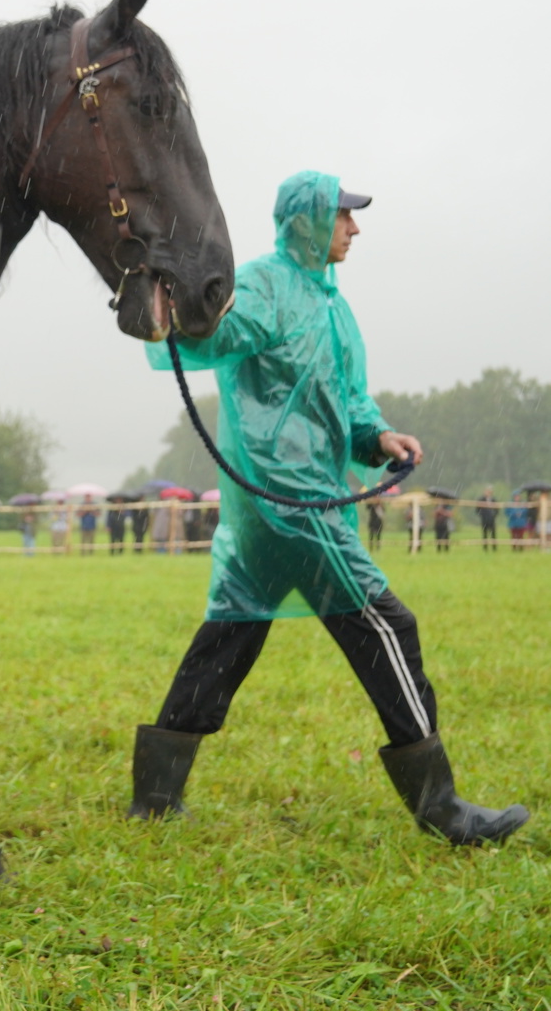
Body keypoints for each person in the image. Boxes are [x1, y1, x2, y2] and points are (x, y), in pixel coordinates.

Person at [129, 171, 527, 845]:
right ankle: (440, 805)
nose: (355, 229)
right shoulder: (264, 284)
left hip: (291, 504)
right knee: (386, 625)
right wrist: (164, 310)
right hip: (290, 499)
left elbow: (346, 397)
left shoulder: (333, 306)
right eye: (344, 217)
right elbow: (213, 338)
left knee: (229, 638)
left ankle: (156, 798)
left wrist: (377, 436)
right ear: (307, 220)